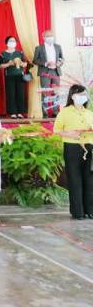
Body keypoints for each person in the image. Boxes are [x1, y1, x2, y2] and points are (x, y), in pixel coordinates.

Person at [53, 85, 93, 220]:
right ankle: (78, 212)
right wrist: (70, 134)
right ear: (72, 96)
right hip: (72, 147)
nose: (82, 97)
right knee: (74, 179)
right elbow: (56, 130)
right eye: (79, 94)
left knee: (89, 179)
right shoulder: (64, 112)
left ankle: (90, 210)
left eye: (83, 94)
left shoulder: (89, 113)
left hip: (89, 147)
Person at [33, 30, 65, 117]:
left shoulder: (58, 47)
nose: (50, 37)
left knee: (56, 92)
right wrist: (46, 63)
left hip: (56, 71)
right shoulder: (39, 48)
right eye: (48, 36)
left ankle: (55, 112)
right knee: (45, 92)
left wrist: (59, 63)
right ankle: (45, 113)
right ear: (43, 37)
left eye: (51, 36)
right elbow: (35, 60)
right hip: (44, 72)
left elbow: (62, 58)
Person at [0, 36, 28, 118]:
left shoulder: (20, 53)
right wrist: (8, 64)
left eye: (14, 41)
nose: (12, 42)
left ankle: (20, 112)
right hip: (9, 76)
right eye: (10, 41)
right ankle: (12, 112)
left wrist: (23, 64)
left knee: (20, 94)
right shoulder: (3, 54)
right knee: (11, 94)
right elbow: (0, 65)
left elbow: (26, 63)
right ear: (7, 43)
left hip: (20, 76)